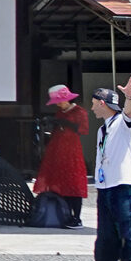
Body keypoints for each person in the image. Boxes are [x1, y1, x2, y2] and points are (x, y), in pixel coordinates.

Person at [89, 77, 131, 261]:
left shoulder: (123, 123)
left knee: (130, 234)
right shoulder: (102, 129)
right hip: (106, 187)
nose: (92, 107)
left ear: (102, 103)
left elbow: (130, 113)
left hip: (125, 186)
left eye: (94, 103)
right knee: (105, 235)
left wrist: (130, 97)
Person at [32, 84, 90, 229]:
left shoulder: (79, 112)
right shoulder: (59, 113)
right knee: (60, 184)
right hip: (57, 151)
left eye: (60, 101)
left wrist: (65, 123)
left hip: (72, 153)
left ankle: (76, 217)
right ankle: (65, 215)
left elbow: (83, 130)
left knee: (74, 185)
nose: (58, 104)